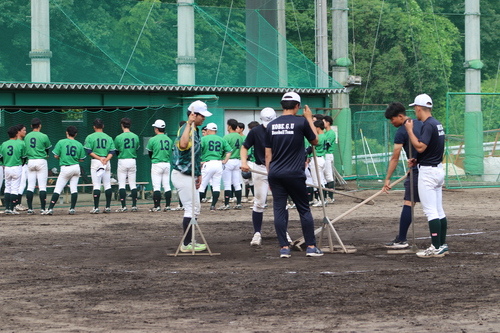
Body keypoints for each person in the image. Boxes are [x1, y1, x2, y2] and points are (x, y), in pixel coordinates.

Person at [265, 92, 323, 258]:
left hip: (275, 173)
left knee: (279, 210)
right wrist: (310, 118)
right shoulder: (301, 122)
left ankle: (284, 248)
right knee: (304, 209)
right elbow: (315, 141)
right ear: (297, 106)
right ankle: (311, 246)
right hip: (295, 173)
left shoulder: (271, 125)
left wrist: (270, 175)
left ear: (282, 105)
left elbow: (268, 154)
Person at [404, 94, 448, 258]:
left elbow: (421, 147)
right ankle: (442, 245)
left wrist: (409, 131)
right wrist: (417, 160)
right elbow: (431, 149)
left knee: (431, 211)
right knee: (438, 210)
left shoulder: (428, 125)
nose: (415, 111)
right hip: (437, 168)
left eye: (415, 107)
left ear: (419, 108)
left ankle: (435, 247)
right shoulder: (437, 124)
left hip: (428, 173)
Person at [171, 100, 212, 252]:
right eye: (202, 116)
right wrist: (189, 123)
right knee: (191, 208)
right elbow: (182, 145)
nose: (204, 119)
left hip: (189, 174)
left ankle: (190, 241)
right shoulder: (186, 128)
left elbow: (194, 155)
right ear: (194, 115)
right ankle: (187, 244)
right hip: (181, 174)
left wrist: (198, 174)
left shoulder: (194, 130)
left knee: (195, 208)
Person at [382, 102, 423, 249]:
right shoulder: (421, 124)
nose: (392, 122)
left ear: (400, 116)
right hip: (426, 167)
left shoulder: (402, 131)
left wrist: (387, 179)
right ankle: (439, 241)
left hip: (418, 171)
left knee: (408, 202)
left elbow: (395, 157)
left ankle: (401, 239)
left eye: (392, 119)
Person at [43, 126, 86, 215]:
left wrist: (63, 157)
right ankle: (72, 209)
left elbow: (55, 155)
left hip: (66, 168)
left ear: (67, 132)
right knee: (74, 189)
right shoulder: (79, 144)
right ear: (75, 134)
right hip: (76, 167)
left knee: (58, 189)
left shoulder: (61, 142)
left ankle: (50, 209)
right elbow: (82, 159)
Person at [84, 118, 116, 214]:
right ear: (103, 126)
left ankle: (96, 207)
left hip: (96, 161)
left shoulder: (90, 137)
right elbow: (112, 151)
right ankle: (108, 207)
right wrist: (106, 159)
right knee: (107, 185)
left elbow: (89, 151)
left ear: (94, 127)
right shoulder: (108, 137)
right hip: (106, 161)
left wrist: (99, 158)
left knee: (96, 185)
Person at [199, 122, 232, 211]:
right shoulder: (221, 139)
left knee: (202, 185)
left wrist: (200, 161)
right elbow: (229, 151)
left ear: (208, 130)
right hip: (218, 163)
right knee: (216, 186)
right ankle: (213, 205)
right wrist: (225, 161)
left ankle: (197, 205)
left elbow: (198, 151)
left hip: (208, 163)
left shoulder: (204, 139)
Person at [24, 118, 52, 215]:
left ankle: (30, 209)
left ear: (31, 126)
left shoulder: (27, 136)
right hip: (41, 160)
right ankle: (43, 209)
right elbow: (47, 149)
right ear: (40, 125)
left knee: (30, 186)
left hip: (30, 161)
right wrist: (46, 154)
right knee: (42, 186)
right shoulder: (44, 136)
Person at [113, 117, 140, 212]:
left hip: (122, 160)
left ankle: (124, 206)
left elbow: (116, 151)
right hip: (132, 160)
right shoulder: (135, 136)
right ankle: (134, 206)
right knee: (133, 184)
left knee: (122, 184)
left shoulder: (118, 137)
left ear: (122, 125)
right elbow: (137, 148)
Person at [146, 119, 174, 212]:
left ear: (157, 128)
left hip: (156, 163)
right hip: (166, 163)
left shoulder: (153, 139)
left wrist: (154, 159)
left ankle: (157, 206)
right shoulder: (169, 139)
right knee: (167, 185)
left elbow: (150, 153)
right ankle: (168, 206)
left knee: (156, 186)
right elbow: (172, 151)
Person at [0, 126, 26, 214]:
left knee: (7, 187)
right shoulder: (20, 144)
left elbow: (1, 157)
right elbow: (24, 157)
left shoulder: (3, 144)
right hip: (16, 167)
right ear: (16, 134)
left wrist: (4, 163)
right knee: (15, 189)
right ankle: (12, 209)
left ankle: (7, 208)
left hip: (6, 167)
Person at [221, 119, 244, 210]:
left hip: (228, 161)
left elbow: (223, 150)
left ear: (230, 126)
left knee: (227, 184)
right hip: (237, 161)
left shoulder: (226, 137)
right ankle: (238, 203)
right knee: (237, 183)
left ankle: (227, 204)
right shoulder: (240, 137)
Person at [323, 115, 336, 203]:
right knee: (323, 176)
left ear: (328, 123)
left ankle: (331, 197)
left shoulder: (331, 133)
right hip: (324, 155)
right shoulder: (324, 131)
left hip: (328, 154)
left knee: (328, 176)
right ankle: (325, 196)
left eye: (324, 122)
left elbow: (326, 145)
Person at [14, 124, 28, 211]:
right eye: (24, 130)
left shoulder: (12, 142)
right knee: (22, 185)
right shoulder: (22, 143)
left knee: (14, 185)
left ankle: (14, 204)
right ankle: (17, 204)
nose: (25, 132)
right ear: (18, 132)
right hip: (22, 165)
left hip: (12, 166)